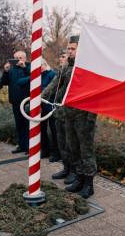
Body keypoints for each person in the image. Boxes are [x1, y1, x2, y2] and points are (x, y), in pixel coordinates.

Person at [63, 35, 98, 199]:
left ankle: (88, 185)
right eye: (68, 48)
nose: (69, 51)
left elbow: (96, 94)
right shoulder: (68, 67)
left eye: (72, 48)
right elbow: (57, 83)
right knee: (73, 149)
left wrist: (91, 118)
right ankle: (79, 179)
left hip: (84, 117)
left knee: (86, 153)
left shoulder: (89, 68)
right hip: (70, 115)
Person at [42, 50, 76, 184]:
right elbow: (53, 85)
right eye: (61, 56)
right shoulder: (61, 71)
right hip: (59, 112)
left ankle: (74, 171)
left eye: (64, 56)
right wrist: (41, 97)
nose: (62, 58)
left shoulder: (73, 70)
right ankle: (66, 168)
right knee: (61, 141)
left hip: (71, 112)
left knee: (70, 144)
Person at [19, 58, 55, 158]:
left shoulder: (52, 74)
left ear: (45, 64)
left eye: (40, 66)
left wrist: (40, 92)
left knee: (53, 130)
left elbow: (53, 88)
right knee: (42, 130)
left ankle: (56, 153)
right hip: (40, 106)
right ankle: (45, 151)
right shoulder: (37, 75)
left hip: (50, 105)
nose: (39, 69)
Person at [2, 50, 30, 154]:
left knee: (27, 125)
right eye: (16, 58)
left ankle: (29, 147)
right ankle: (21, 145)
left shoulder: (29, 66)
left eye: (20, 58)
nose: (18, 60)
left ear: (24, 58)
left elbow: (34, 77)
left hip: (26, 101)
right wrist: (5, 71)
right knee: (19, 125)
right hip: (15, 101)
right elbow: (4, 82)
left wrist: (24, 67)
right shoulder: (11, 69)